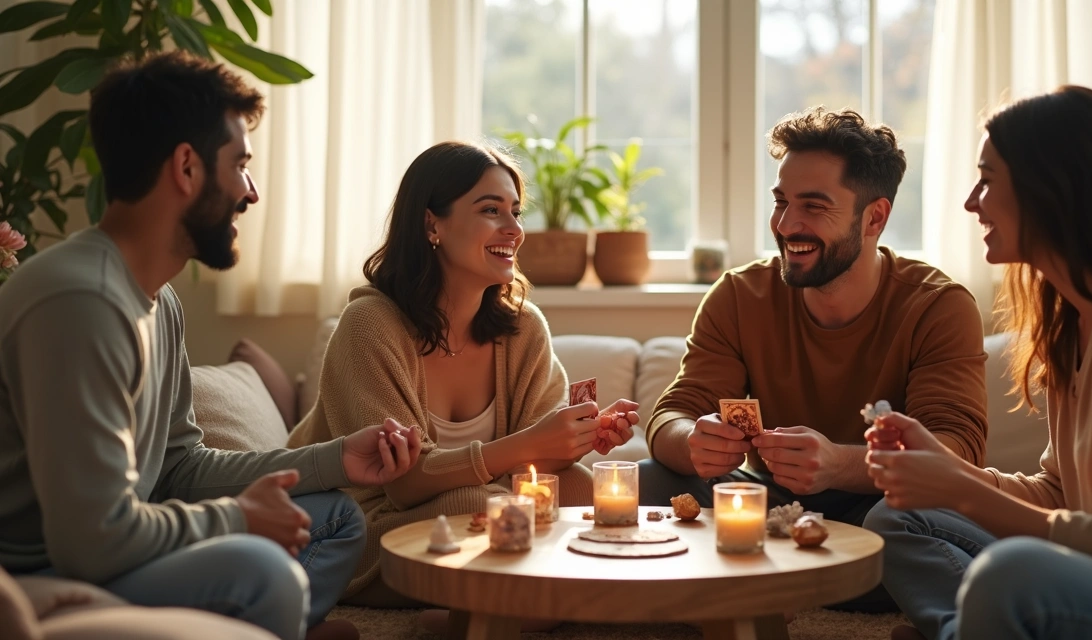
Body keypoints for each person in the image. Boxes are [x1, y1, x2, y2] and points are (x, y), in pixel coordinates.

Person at [0, 52, 425, 640]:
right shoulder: (80, 301)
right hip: (42, 571)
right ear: (186, 168)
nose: (250, 192)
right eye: (240, 164)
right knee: (264, 572)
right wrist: (237, 518)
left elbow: (180, 467)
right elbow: (90, 539)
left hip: (118, 548)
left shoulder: (158, 299)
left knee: (336, 520)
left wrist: (334, 459)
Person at [863, 85, 1092, 640]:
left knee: (1010, 576)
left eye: (987, 179)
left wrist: (961, 490)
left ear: (1053, 188)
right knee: (895, 520)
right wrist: (950, 472)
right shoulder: (1075, 319)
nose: (971, 201)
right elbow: (1058, 493)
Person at [640, 106, 989, 609]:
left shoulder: (938, 305)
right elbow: (672, 414)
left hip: (883, 506)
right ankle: (810, 582)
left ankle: (769, 581)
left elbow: (958, 450)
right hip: (771, 505)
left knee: (900, 526)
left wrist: (840, 465)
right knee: (650, 478)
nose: (786, 224)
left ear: (875, 217)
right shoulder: (739, 295)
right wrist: (692, 441)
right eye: (781, 202)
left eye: (813, 206)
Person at [287, 140, 641, 613]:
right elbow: (403, 483)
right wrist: (530, 446)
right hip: (359, 523)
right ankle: (532, 603)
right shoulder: (369, 325)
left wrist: (575, 436)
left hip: (480, 508)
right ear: (432, 223)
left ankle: (519, 600)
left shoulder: (523, 327)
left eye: (515, 211)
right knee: (479, 504)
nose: (514, 229)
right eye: (491, 210)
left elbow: (537, 471)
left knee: (579, 486)